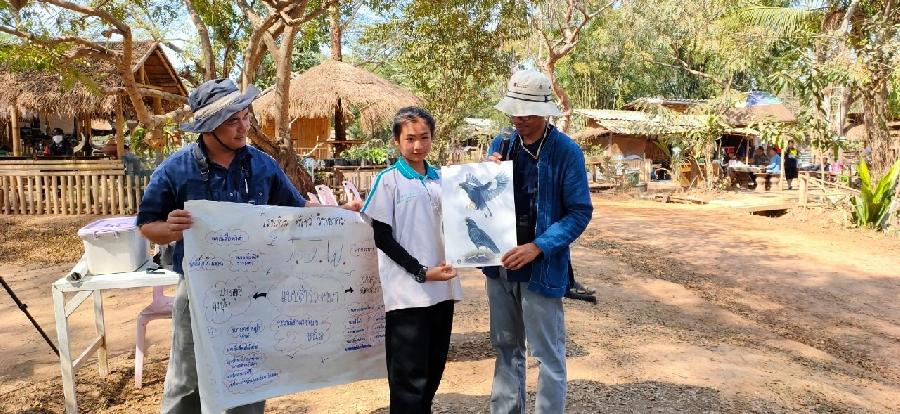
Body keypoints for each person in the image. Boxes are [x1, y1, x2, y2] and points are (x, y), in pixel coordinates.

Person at [137, 78, 360, 414]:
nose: (244, 128)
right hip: (197, 291)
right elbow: (146, 226)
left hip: (256, 289)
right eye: (232, 121)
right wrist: (169, 229)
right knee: (188, 378)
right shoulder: (175, 169)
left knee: (250, 375)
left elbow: (297, 211)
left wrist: (339, 215)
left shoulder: (262, 165)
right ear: (208, 127)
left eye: (245, 117)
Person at [484, 69, 593, 413]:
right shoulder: (501, 143)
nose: (518, 119)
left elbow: (579, 212)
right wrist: (487, 174)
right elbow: (482, 203)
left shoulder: (565, 152)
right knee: (505, 347)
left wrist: (537, 247)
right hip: (501, 265)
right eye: (514, 112)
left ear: (545, 112)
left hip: (540, 268)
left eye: (527, 113)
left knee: (547, 355)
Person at [361, 106, 463, 413]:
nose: (418, 145)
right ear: (396, 141)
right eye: (410, 138)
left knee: (432, 372)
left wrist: (492, 171)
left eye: (424, 137)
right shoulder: (388, 181)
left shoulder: (443, 179)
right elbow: (382, 237)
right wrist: (420, 271)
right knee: (409, 380)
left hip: (442, 291)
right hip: (407, 294)